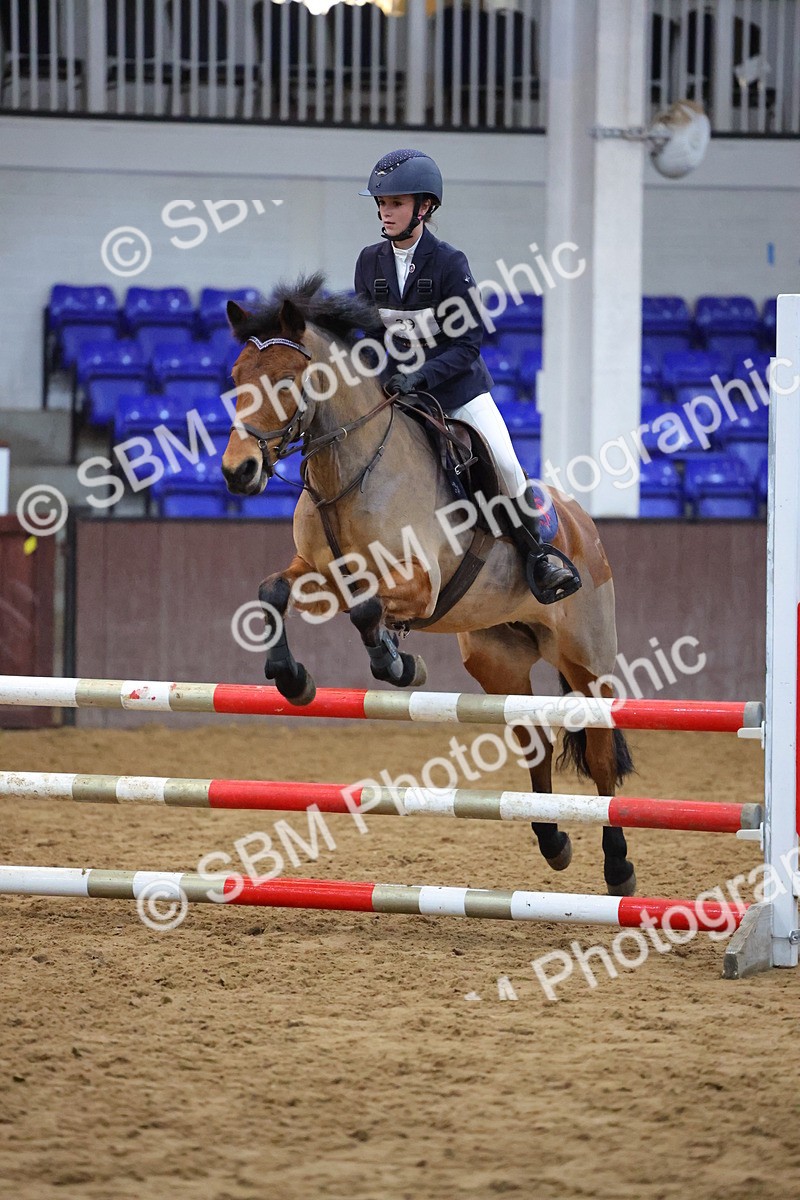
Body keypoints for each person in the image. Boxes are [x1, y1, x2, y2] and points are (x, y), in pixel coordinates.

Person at [354, 147, 577, 603]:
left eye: (395, 203)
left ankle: (539, 556)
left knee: (508, 466)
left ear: (425, 207)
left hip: (455, 392)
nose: (384, 211)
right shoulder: (369, 262)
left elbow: (466, 346)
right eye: (381, 203)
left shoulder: (450, 264)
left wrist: (420, 377)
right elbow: (368, 334)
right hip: (398, 394)